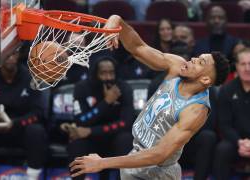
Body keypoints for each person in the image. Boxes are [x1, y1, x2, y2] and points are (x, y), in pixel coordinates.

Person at [69, 15, 230, 179]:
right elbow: (138, 47)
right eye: (198, 57)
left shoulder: (196, 109)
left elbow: (159, 154)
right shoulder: (178, 65)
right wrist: (118, 22)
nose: (194, 59)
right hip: (136, 155)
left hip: (158, 172)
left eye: (200, 63)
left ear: (205, 80)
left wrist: (102, 163)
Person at [0, 44, 48, 180]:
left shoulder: (30, 79)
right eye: (7, 55)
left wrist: (14, 123)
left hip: (20, 129)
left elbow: (38, 113)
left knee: (36, 131)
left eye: (14, 54)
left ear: (19, 55)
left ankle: (32, 176)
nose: (10, 58)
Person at [62, 55, 134, 180]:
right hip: (90, 140)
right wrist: (106, 103)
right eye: (103, 73)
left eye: (111, 73)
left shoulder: (124, 88)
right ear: (95, 74)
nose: (108, 77)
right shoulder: (82, 88)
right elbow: (80, 120)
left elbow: (126, 123)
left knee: (126, 139)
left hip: (113, 137)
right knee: (76, 144)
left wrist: (91, 131)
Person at [213, 48, 250, 180]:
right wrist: (240, 142)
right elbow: (224, 124)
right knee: (222, 149)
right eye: (243, 64)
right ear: (236, 67)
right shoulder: (227, 90)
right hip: (236, 141)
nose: (247, 68)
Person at [193, 6, 239, 70]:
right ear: (207, 21)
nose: (216, 21)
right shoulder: (198, 44)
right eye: (212, 18)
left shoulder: (235, 43)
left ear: (226, 21)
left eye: (220, 18)